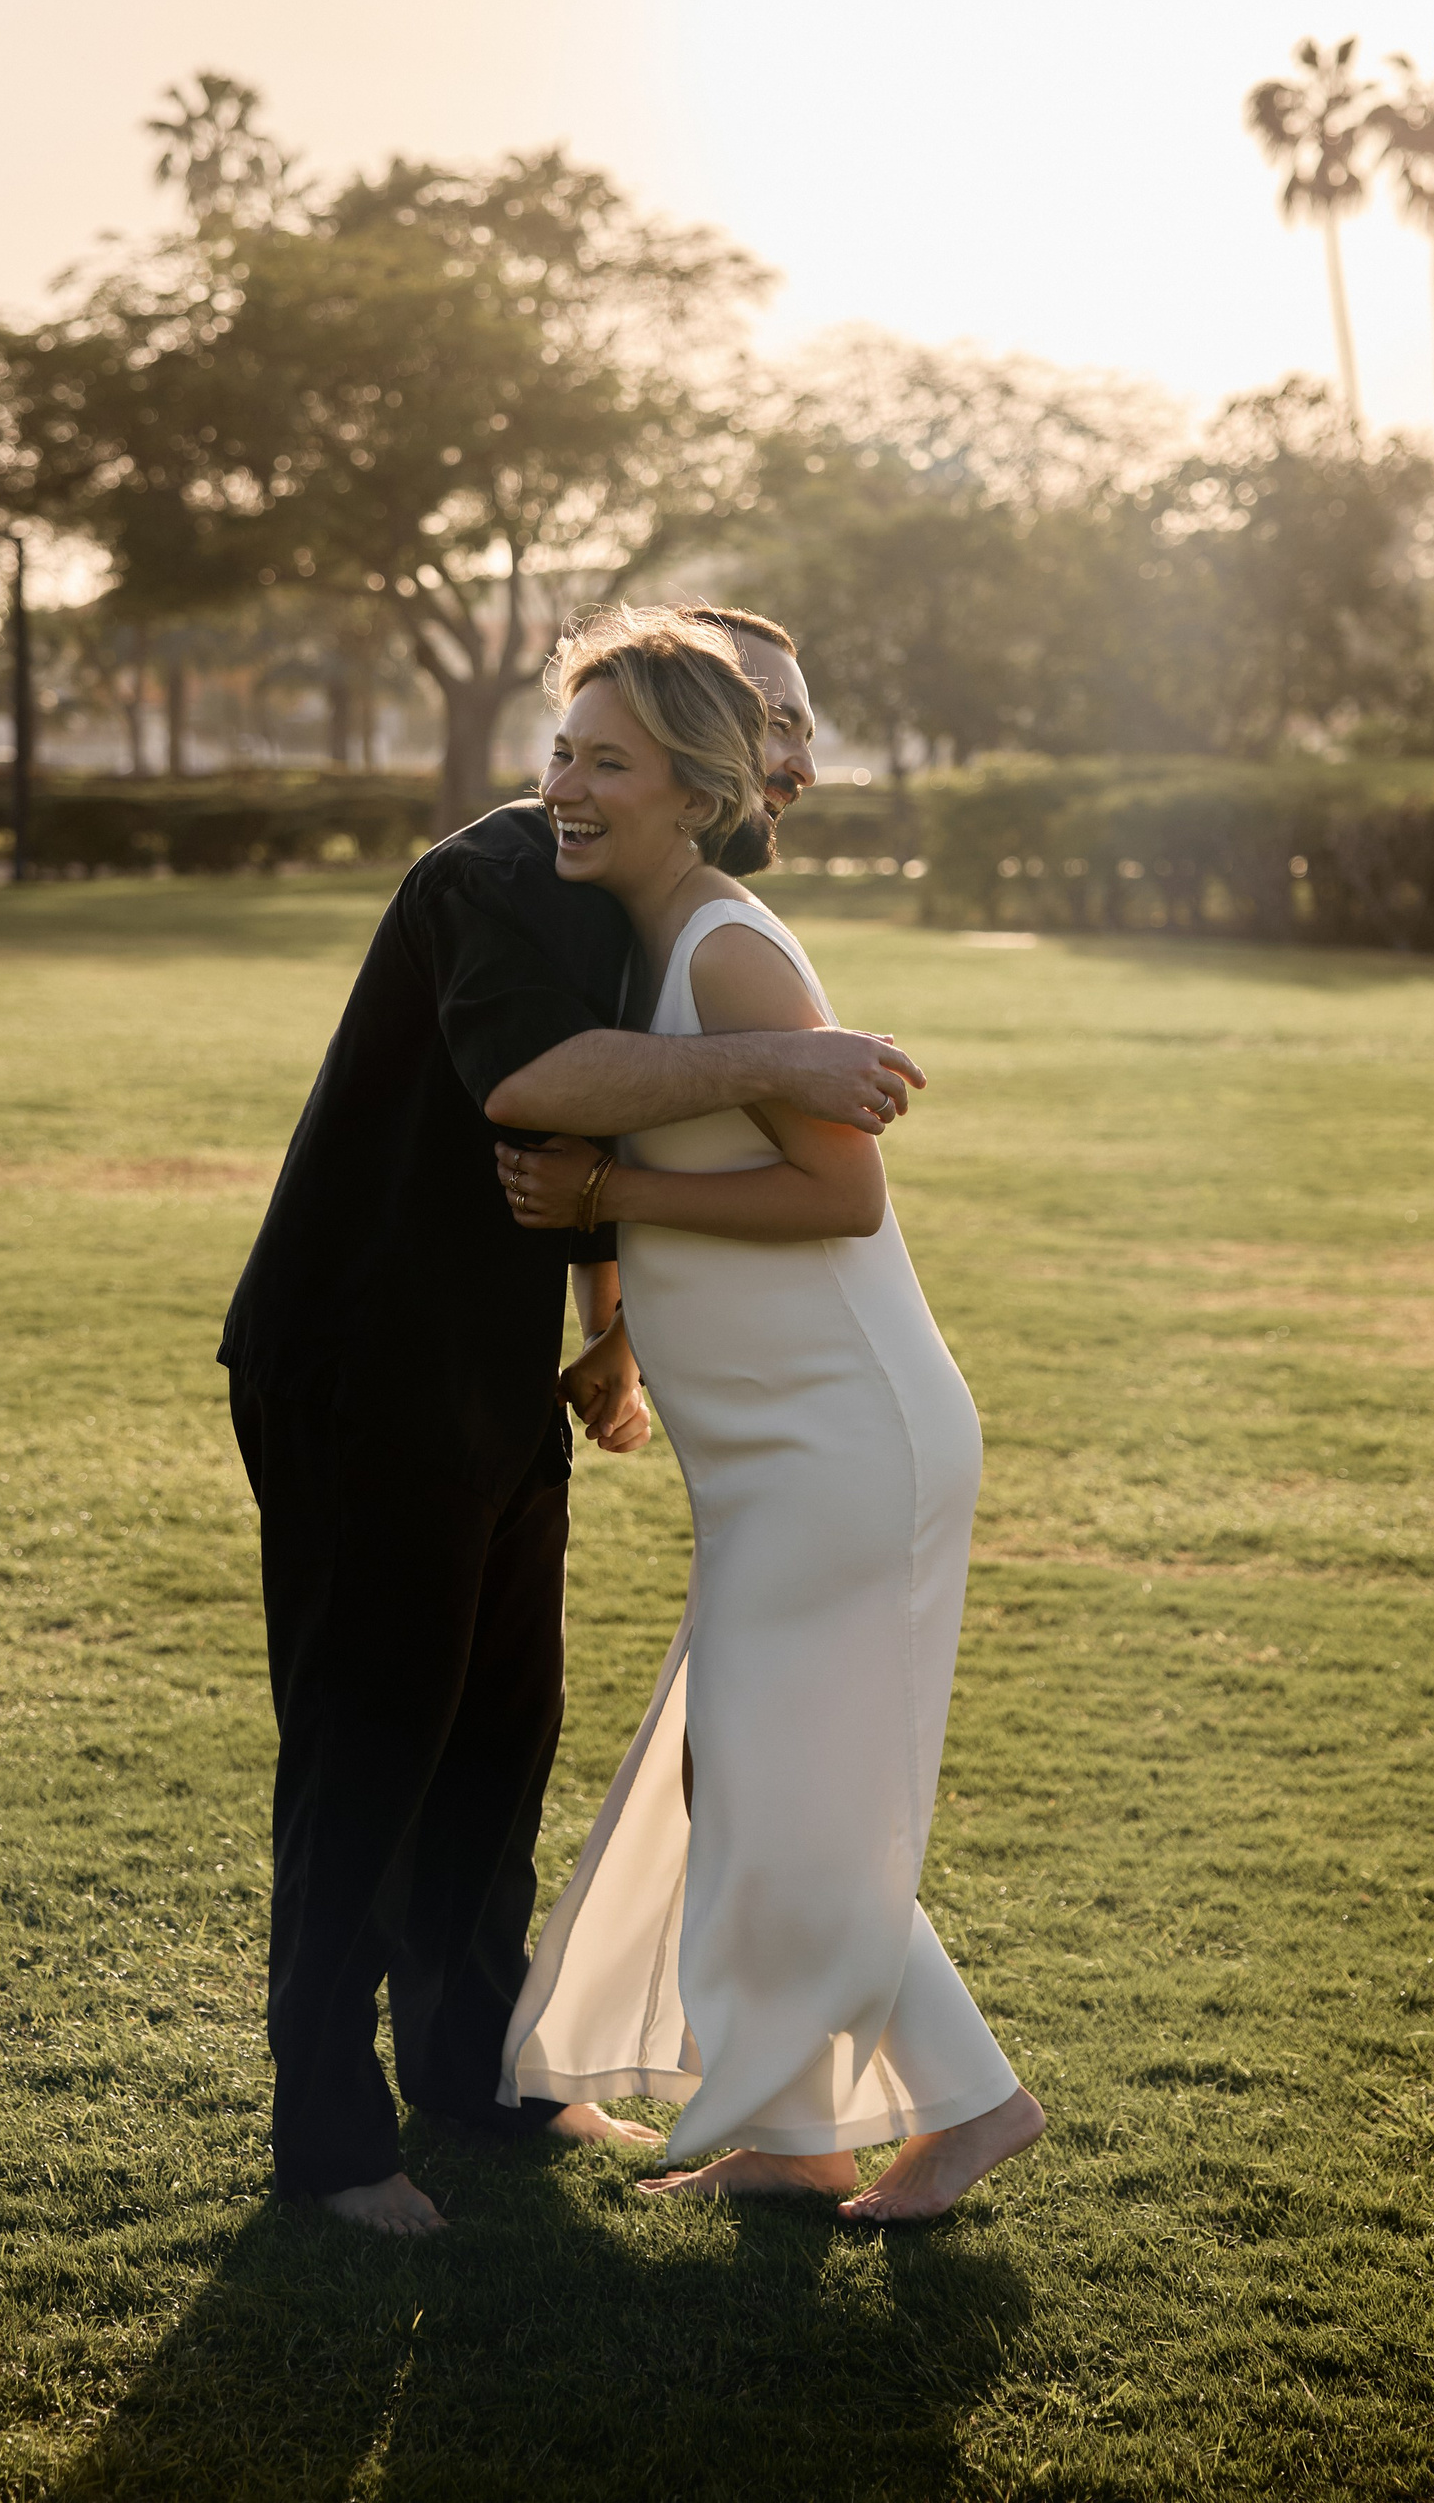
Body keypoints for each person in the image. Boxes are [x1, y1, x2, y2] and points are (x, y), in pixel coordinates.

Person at [218, 655, 926, 2236]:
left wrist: (611, 1329)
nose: (796, 755)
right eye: (774, 718)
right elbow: (536, 1085)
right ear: (704, 744)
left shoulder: (641, 898)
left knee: (498, 1737)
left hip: (484, 1367)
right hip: (359, 1360)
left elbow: (598, 1138)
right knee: (370, 1747)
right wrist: (785, 1060)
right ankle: (329, 2142)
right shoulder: (500, 872)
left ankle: (476, 2073)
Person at [496, 606, 1045, 2224]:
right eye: (561, 755)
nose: (564, 789)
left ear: (692, 789)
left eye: (607, 764)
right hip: (773, 1454)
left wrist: (606, 1194)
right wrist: (621, 1333)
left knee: (770, 1789)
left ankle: (975, 2105)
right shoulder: (648, 939)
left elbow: (838, 1195)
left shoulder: (727, 948)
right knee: (745, 1784)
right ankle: (802, 2137)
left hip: (845, 1442)